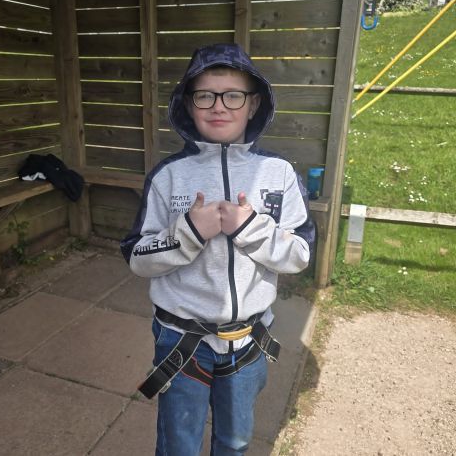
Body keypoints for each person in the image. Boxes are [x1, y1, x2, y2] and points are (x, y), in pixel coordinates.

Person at [121, 43, 315, 455]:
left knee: (236, 441)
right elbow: (138, 257)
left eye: (233, 95)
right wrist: (189, 231)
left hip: (248, 341)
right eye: (205, 95)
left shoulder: (279, 174)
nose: (218, 106)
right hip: (180, 340)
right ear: (187, 104)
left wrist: (251, 229)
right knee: (178, 445)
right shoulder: (168, 176)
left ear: (254, 103)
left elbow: (300, 254)